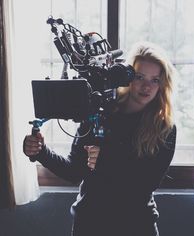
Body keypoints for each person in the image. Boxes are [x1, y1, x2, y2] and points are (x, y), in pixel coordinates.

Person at [23, 41, 177, 236]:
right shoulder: (99, 111)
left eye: (155, 79)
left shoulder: (164, 129)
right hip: (89, 223)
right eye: (139, 77)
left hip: (136, 225)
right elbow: (75, 171)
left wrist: (107, 160)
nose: (146, 86)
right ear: (126, 77)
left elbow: (145, 185)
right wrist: (41, 152)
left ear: (162, 84)